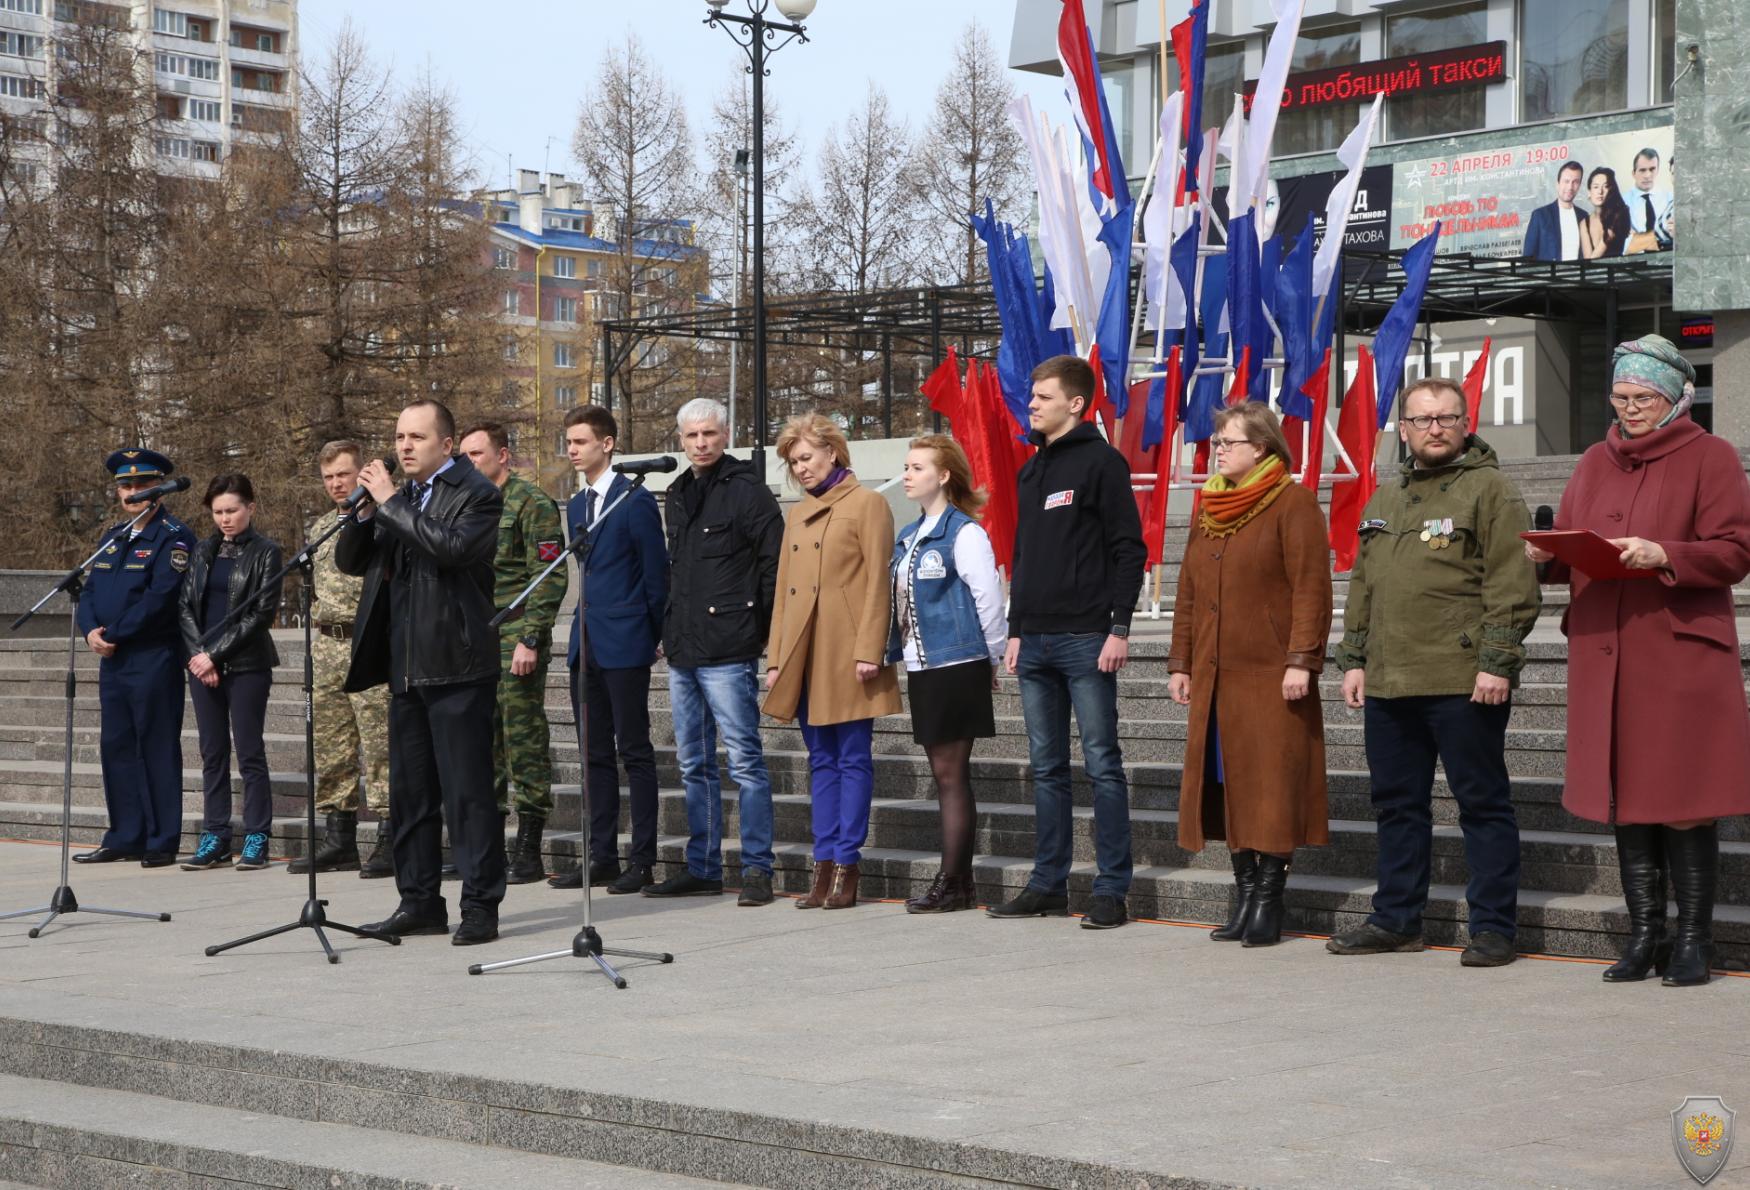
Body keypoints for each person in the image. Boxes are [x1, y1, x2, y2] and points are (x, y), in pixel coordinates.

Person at [1525, 336, 1750, 986]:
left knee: (1683, 799)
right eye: (1621, 398)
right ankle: (1644, 934)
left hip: (1677, 658)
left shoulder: (1711, 456)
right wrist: (1550, 557)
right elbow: (1576, 541)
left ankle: (1693, 940)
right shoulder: (1595, 459)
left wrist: (1666, 554)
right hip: (1607, 655)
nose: (1630, 409)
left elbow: (1735, 550)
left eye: (1643, 398)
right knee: (1626, 797)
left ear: (1676, 396)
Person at [1328, 377, 1541, 967]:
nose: (1434, 429)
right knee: (1397, 805)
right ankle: (1397, 919)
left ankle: (1494, 928)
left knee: (1482, 804)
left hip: (1462, 678)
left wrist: (1497, 661)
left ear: (1464, 423)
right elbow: (1365, 587)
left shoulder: (1490, 489)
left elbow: (1512, 585)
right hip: (1390, 680)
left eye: (1445, 418)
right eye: (1421, 420)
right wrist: (1354, 659)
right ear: (1404, 430)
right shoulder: (1384, 499)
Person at [338, 399, 506, 945]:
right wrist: (366, 513)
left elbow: (451, 549)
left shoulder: (477, 494)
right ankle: (419, 902)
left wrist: (388, 503)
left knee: (467, 796)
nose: (404, 446)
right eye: (399, 436)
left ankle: (480, 906)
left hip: (457, 667)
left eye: (417, 437)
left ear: (447, 444)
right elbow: (349, 561)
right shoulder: (399, 497)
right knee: (411, 796)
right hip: (405, 669)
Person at [988, 355, 1147, 930]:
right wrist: (1014, 629)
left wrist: (1119, 627)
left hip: (1087, 639)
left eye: (1042, 398)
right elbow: (1025, 558)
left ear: (1076, 404)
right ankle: (1048, 883)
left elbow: (1130, 549)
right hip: (1035, 644)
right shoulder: (1032, 472)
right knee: (1046, 767)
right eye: (1031, 397)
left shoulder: (1102, 463)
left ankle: (1110, 889)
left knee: (1103, 765)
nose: (1030, 405)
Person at [1167, 404, 1333, 946]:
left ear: (1261, 447)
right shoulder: (1211, 506)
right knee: (1228, 787)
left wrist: (1301, 659)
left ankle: (1268, 900)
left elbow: (1311, 587)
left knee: (1271, 789)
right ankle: (1243, 895)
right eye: (1217, 440)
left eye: (1228, 441)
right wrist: (1181, 662)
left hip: (1270, 673)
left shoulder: (1293, 502)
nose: (1217, 448)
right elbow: (1189, 593)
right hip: (1216, 675)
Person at [643, 398, 783, 906]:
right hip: (682, 650)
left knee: (745, 763)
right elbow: (677, 571)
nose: (700, 444)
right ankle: (702, 866)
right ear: (679, 440)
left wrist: (765, 635)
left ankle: (757, 870)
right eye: (691, 436)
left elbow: (773, 567)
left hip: (730, 648)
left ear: (726, 435)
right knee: (693, 763)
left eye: (709, 434)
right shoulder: (677, 492)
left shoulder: (748, 491)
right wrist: (666, 630)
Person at [765, 413, 900, 911]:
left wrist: (870, 649)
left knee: (852, 756)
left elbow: (877, 583)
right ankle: (822, 864)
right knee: (819, 759)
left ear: (833, 453)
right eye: (793, 461)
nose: (800, 468)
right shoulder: (797, 514)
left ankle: (847, 864)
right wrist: (777, 657)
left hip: (848, 650)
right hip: (803, 650)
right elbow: (782, 593)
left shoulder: (868, 504)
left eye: (806, 457)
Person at [546, 405, 668, 895]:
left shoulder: (633, 500)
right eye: (569, 442)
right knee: (592, 754)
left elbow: (655, 576)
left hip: (627, 641)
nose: (572, 450)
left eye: (580, 442)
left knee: (634, 751)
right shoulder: (576, 507)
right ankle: (600, 855)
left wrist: (655, 634)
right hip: (586, 643)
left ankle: (641, 860)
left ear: (607, 444)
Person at [885, 435, 1007, 913]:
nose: (909, 474)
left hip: (958, 662)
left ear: (944, 475)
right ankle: (958, 880)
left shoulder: (965, 532)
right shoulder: (911, 533)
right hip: (923, 663)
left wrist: (990, 657)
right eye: (907, 466)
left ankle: (953, 881)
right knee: (943, 774)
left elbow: (989, 600)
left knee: (950, 774)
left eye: (918, 467)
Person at [458, 421, 568, 886]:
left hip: (514, 637)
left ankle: (528, 844)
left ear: (503, 455)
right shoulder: (464, 504)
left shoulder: (531, 502)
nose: (469, 464)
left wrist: (531, 637)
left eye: (477, 454)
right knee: (484, 745)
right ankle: (490, 846)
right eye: (463, 456)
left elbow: (549, 578)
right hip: (472, 641)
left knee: (521, 739)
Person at [73, 448, 195, 868]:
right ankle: (125, 834)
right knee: (117, 746)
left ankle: (160, 840)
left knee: (156, 746)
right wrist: (89, 630)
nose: (132, 491)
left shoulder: (174, 537)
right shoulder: (112, 538)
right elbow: (88, 593)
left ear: (158, 488)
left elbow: (160, 599)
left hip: (151, 656)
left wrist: (115, 634)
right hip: (113, 660)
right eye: (125, 485)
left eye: (142, 484)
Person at [292, 440, 393, 879]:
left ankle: (392, 836)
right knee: (331, 746)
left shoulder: (386, 519)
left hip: (368, 642)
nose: (336, 484)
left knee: (380, 744)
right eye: (329, 476)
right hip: (327, 644)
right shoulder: (319, 527)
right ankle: (339, 839)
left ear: (362, 475)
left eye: (344, 475)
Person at [177, 474, 283, 872]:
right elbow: (185, 606)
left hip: (247, 665)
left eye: (232, 510)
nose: (225, 518)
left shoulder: (267, 552)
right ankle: (215, 836)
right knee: (212, 752)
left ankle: (257, 837)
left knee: (250, 752)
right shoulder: (202, 551)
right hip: (201, 665)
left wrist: (215, 656)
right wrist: (198, 657)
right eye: (218, 511)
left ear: (250, 508)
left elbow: (259, 615)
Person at [1521, 161, 1587, 262]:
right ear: (1558, 184)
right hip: (1549, 277)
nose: (1570, 187)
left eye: (1575, 182)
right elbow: (1527, 258)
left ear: (1579, 186)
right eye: (1566, 181)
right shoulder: (1540, 216)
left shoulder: (1584, 217)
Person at [1624, 147, 1674, 253]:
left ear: (1658, 170)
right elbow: (1623, 243)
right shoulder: (1622, 203)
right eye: (1642, 170)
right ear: (1633, 173)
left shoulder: (1671, 198)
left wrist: (1638, 239)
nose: (1648, 175)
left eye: (1652, 169)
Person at [1579, 167, 1631, 260]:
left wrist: (1606, 239)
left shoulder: (1619, 215)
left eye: (1606, 186)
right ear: (1589, 192)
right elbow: (1588, 262)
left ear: (1612, 190)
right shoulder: (1584, 223)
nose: (1600, 191)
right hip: (1592, 273)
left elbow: (1591, 261)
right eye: (1596, 187)